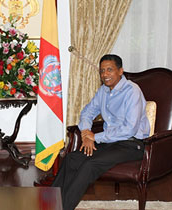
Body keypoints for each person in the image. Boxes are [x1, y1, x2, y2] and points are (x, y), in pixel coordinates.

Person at [51, 54, 150, 210]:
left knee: (90, 164)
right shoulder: (104, 90)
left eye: (109, 70)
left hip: (132, 144)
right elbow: (87, 112)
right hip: (110, 142)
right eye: (102, 70)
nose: (104, 74)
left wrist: (95, 137)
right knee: (71, 159)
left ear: (120, 71)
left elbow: (129, 128)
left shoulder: (132, 91)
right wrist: (85, 133)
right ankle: (49, 204)